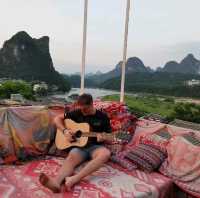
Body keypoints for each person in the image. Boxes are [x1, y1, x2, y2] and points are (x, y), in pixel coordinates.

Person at [39, 93, 111, 193]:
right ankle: (56, 183)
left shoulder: (102, 117)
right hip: (79, 146)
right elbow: (57, 119)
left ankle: (74, 179)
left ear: (91, 104)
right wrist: (65, 131)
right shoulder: (77, 112)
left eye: (85, 109)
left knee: (105, 154)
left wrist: (103, 138)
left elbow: (109, 136)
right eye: (81, 109)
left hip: (95, 146)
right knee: (71, 158)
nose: (82, 112)